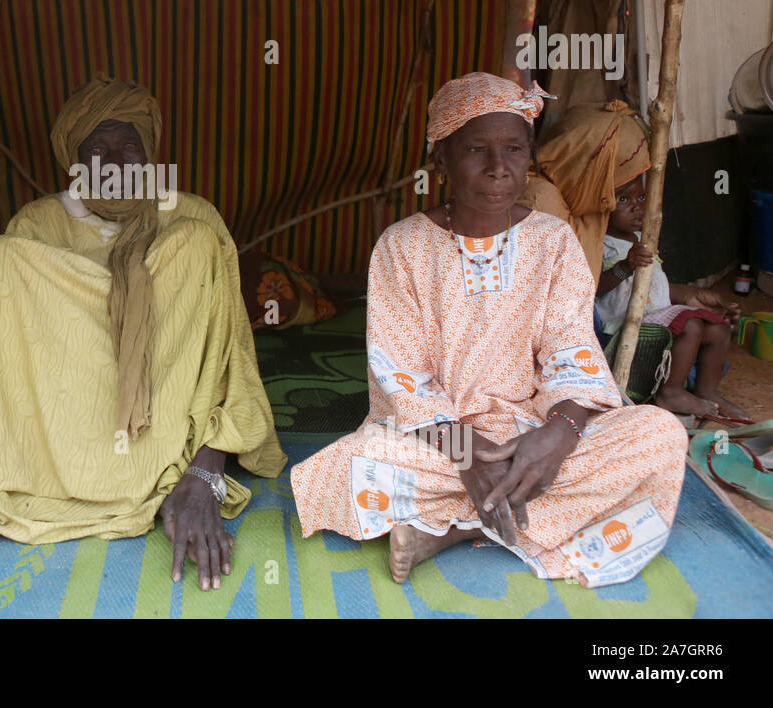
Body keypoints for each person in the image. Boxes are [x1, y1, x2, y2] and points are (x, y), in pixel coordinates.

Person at [0, 79, 287, 591]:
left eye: (130, 146)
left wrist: (205, 476)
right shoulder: (38, 224)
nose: (116, 162)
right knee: (3, 258)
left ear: (151, 152)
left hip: (156, 433)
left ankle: (162, 477)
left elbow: (227, 357)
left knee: (194, 245)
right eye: (97, 149)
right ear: (74, 160)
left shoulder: (190, 217)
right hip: (58, 420)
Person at [291, 73, 687, 588]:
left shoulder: (553, 241)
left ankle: (454, 530)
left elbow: (572, 350)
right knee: (352, 466)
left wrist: (558, 436)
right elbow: (400, 375)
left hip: (531, 429)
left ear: (529, 157)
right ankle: (511, 511)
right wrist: (466, 455)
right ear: (441, 160)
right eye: (477, 149)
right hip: (436, 437)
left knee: (659, 436)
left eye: (514, 150)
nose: (499, 168)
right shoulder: (401, 246)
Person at [597, 174, 747, 421]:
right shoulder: (601, 243)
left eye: (642, 197)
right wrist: (626, 265)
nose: (638, 206)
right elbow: (592, 289)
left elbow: (655, 287)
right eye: (623, 199)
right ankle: (671, 391)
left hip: (658, 318)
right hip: (625, 327)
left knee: (718, 329)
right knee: (690, 325)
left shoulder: (645, 240)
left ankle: (708, 390)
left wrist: (692, 298)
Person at [518, 100, 650, 279]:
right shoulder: (539, 201)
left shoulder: (583, 196)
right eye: (620, 190)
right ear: (592, 168)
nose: (611, 201)